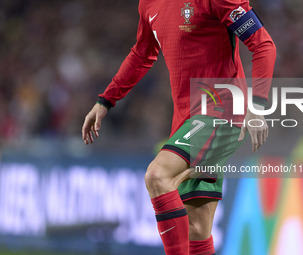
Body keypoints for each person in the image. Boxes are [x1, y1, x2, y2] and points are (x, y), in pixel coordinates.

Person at [82, 0, 276, 254]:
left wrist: (258, 104)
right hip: (186, 119)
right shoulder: (149, 4)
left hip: (222, 111)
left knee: (158, 175)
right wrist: (106, 101)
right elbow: (142, 54)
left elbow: (263, 44)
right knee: (196, 230)